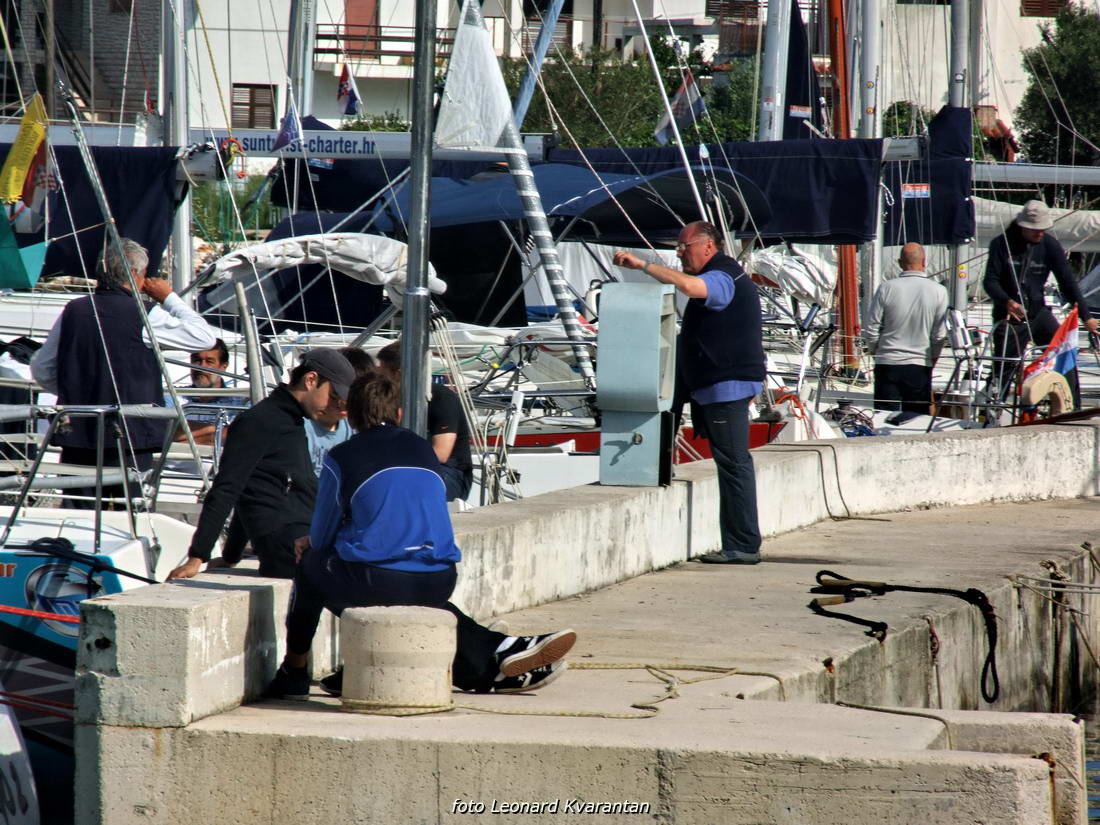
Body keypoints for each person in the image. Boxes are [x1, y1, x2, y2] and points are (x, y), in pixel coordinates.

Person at [266, 372, 576, 698]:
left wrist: (312, 542)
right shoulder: (422, 449)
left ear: (351, 414)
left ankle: (294, 670)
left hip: (380, 580)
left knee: (310, 564)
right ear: (398, 413)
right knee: (416, 596)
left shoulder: (342, 456)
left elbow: (323, 534)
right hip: (440, 578)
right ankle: (492, 663)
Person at [613, 221, 765, 565]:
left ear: (708, 246)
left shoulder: (723, 275)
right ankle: (741, 542)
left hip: (726, 387)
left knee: (733, 463)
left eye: (684, 246)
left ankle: (742, 545)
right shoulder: (726, 271)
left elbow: (694, 288)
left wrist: (643, 266)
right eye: (678, 248)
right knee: (733, 463)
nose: (680, 253)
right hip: (720, 386)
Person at [30, 238, 217, 507]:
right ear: (135, 274)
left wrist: (74, 392)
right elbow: (204, 338)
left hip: (79, 433)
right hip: (130, 434)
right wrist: (168, 297)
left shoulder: (74, 310)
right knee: (128, 512)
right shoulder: (145, 314)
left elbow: (42, 368)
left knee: (77, 510)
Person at [166, 349, 357, 580]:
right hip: (287, 544)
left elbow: (253, 488)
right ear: (311, 380)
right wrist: (197, 556)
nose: (337, 407)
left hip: (304, 537)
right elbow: (228, 487)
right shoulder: (260, 421)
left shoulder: (291, 422)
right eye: (334, 397)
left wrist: (231, 555)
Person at [984, 199, 1098, 400]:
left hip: (1038, 312)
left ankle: (1072, 401)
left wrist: (1086, 317)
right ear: (1022, 227)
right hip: (1010, 315)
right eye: (1035, 229)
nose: (1040, 233)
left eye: (1043, 229)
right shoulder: (1001, 245)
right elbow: (990, 282)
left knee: (1063, 351)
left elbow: (1068, 283)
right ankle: (995, 403)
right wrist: (1006, 301)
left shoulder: (1049, 245)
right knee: (1005, 364)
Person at [375, 341, 473, 502]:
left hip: (449, 472)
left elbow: (440, 453)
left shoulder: (441, 398)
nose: (378, 379)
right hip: (404, 468)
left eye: (383, 373)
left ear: (398, 375)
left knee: (403, 489)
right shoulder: (390, 401)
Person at [863, 243, 949, 415]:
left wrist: (875, 351)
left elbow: (871, 327)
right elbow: (939, 334)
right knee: (916, 420)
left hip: (887, 362)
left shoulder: (886, 288)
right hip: (919, 364)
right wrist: (932, 357)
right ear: (924, 262)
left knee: (884, 417)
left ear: (899, 262)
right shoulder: (939, 291)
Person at [303, 347, 372, 476]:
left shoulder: (353, 428)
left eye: (350, 397)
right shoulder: (303, 427)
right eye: (336, 395)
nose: (344, 404)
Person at [174, 339, 249, 446]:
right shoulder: (173, 396)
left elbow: (245, 437)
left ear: (223, 367)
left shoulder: (243, 402)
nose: (201, 366)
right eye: (196, 360)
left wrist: (182, 437)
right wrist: (220, 430)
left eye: (209, 361)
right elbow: (161, 430)